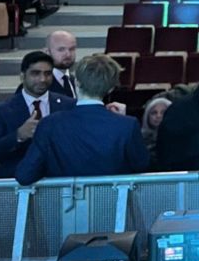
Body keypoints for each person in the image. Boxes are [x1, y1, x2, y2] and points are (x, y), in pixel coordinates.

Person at [14, 55, 148, 185]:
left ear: (76, 82)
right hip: (112, 204)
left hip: (64, 205)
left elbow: (25, 175)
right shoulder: (127, 125)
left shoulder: (50, 124)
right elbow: (142, 167)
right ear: (111, 88)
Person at [0, 52, 75, 178]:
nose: (42, 79)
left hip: (58, 177)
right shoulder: (1, 111)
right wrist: (19, 135)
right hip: (17, 179)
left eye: (48, 74)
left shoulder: (68, 105)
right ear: (22, 76)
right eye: (35, 73)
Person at [44, 30, 79, 99]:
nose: (68, 54)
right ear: (47, 52)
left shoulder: (75, 81)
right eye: (61, 49)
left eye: (72, 49)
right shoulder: (40, 83)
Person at [141, 96, 172, 165]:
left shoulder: (180, 139)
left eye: (163, 112)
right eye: (154, 113)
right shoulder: (139, 139)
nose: (158, 116)